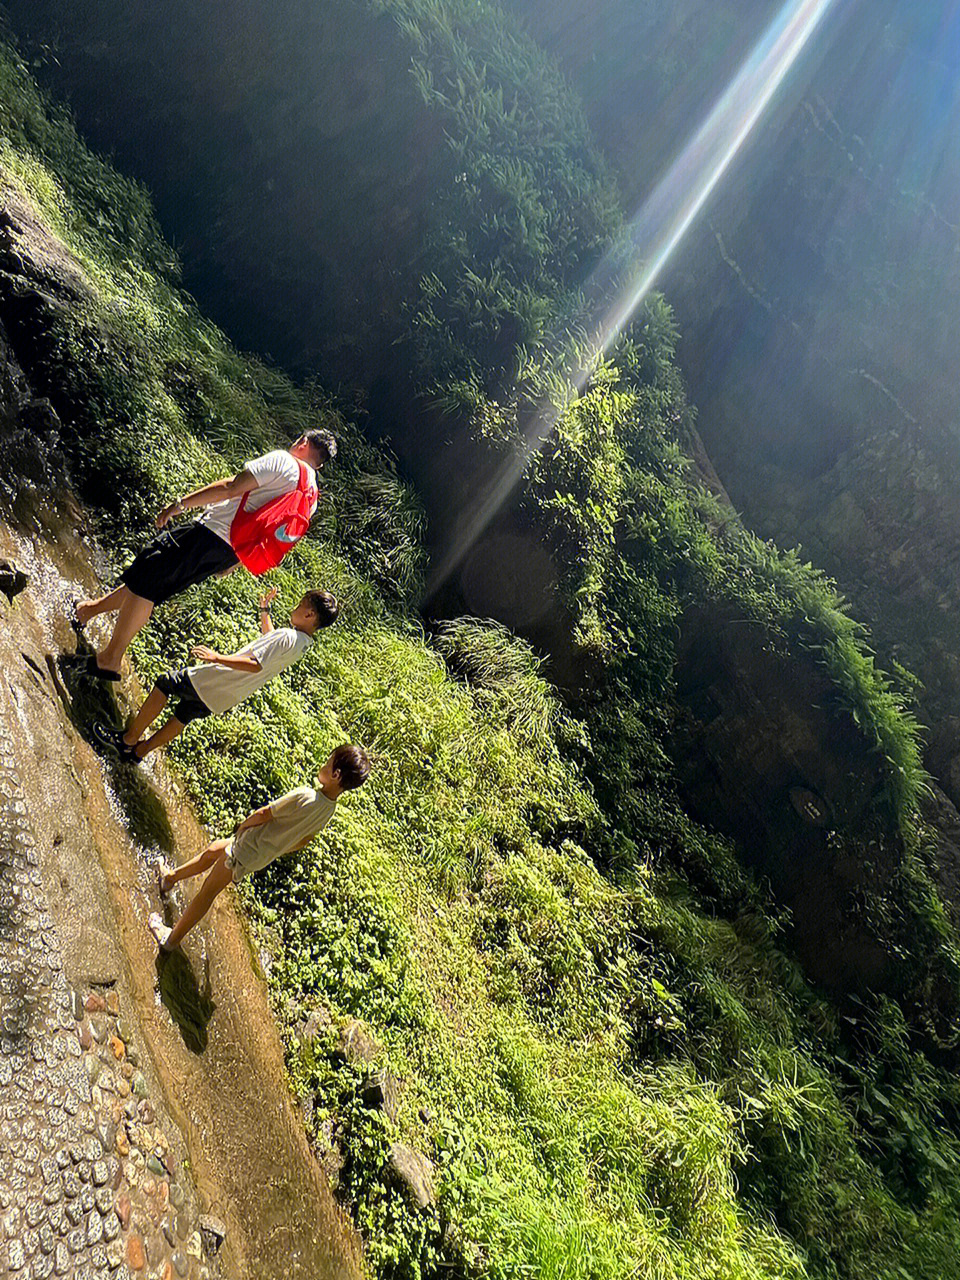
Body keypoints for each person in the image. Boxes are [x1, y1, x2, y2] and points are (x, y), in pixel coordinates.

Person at [74, 430, 337, 679]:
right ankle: (88, 611)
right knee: (149, 580)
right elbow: (273, 533)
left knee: (148, 581)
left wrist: (180, 504)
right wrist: (237, 560)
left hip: (210, 533)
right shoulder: (311, 496)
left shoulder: (285, 461)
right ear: (321, 465)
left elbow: (231, 487)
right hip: (226, 551)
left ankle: (110, 659)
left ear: (303, 442)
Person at [147, 745, 371, 950]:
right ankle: (170, 879)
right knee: (213, 850)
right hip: (259, 853)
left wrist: (243, 826)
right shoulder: (328, 811)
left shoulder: (307, 795)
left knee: (207, 893)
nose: (323, 764)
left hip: (247, 847)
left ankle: (171, 939)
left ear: (335, 774)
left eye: (328, 761)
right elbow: (304, 841)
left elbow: (265, 813)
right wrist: (277, 848)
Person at [92, 586, 338, 763]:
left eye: (300, 605)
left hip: (218, 678)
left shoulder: (288, 636)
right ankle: (139, 753)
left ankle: (127, 739)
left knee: (166, 683)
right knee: (183, 715)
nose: (295, 608)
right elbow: (269, 641)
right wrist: (265, 610)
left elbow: (255, 663)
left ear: (309, 615)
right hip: (227, 695)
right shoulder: (302, 643)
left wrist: (216, 657)